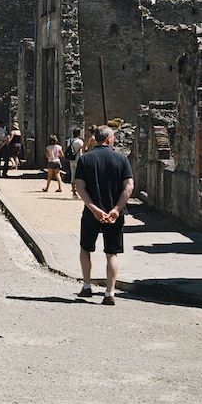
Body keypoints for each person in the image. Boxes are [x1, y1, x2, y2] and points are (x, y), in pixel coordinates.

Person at [72, 125, 134, 304]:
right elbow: (129, 186)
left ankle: (86, 286)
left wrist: (94, 209)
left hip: (92, 213)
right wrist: (116, 209)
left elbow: (79, 186)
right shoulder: (121, 159)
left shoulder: (85, 159)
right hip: (115, 214)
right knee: (112, 253)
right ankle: (110, 293)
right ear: (108, 139)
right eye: (113, 137)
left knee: (85, 248)